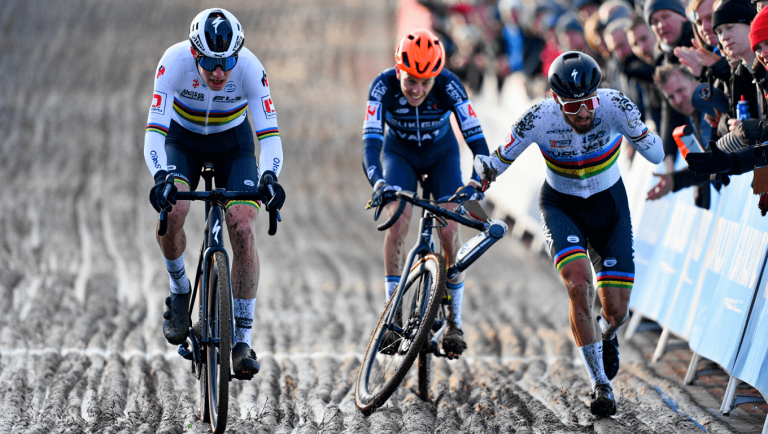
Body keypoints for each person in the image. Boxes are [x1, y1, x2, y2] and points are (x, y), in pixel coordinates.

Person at [474, 51, 664, 416]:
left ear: (599, 93)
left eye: (589, 103)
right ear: (554, 100)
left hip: (610, 207)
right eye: (572, 106)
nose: (583, 113)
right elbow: (497, 162)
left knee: (616, 311)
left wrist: (641, 133)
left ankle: (608, 336)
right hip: (561, 206)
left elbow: (654, 155)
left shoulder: (613, 106)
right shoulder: (539, 117)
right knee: (578, 286)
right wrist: (477, 177)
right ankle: (601, 385)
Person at [144, 8, 286, 378]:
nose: (219, 72)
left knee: (241, 224)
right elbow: (155, 133)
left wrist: (270, 176)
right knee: (172, 213)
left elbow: (269, 137)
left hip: (232, 145)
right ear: (194, 53)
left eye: (226, 62)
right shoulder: (173, 62)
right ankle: (179, 289)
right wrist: (161, 175)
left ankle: (241, 339)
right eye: (209, 62)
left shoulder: (251, 70)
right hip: (183, 142)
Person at [362, 28, 489, 359]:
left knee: (449, 230)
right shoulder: (382, 86)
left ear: (437, 77)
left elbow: (476, 139)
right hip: (399, 155)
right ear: (398, 71)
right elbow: (372, 143)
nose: (417, 89)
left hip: (442, 155)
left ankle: (454, 322)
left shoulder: (449, 84)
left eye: (425, 82)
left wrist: (479, 178)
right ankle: (393, 316)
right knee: (398, 223)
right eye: (410, 81)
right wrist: (377, 181)